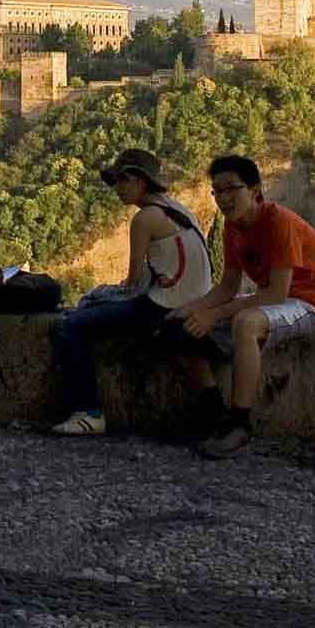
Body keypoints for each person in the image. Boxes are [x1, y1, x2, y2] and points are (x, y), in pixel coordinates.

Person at [161, 154, 315, 459]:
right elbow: (228, 286)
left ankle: (240, 425)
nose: (224, 199)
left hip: (306, 303)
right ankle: (214, 413)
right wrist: (192, 309)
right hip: (273, 300)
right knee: (178, 325)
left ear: (254, 190)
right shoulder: (233, 228)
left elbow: (277, 293)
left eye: (231, 189)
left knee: (246, 323)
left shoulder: (279, 222)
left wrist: (214, 315)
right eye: (217, 191)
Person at [50, 147, 214, 437]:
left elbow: (133, 284)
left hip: (164, 307)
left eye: (122, 181)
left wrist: (94, 298)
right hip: (193, 300)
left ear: (140, 181)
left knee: (70, 324)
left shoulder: (144, 219)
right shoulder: (177, 208)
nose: (117, 189)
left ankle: (88, 412)